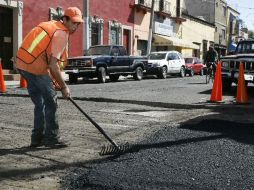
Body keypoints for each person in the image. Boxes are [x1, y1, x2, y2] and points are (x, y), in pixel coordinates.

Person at [15, 7, 83, 147]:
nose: (75, 26)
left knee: (40, 104)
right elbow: (53, 65)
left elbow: (45, 55)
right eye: (73, 22)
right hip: (35, 68)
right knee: (51, 102)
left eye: (78, 23)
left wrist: (53, 80)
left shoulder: (51, 25)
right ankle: (51, 139)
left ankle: (37, 138)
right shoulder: (61, 34)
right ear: (65, 19)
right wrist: (64, 87)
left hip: (22, 65)